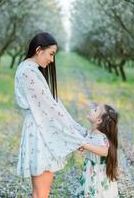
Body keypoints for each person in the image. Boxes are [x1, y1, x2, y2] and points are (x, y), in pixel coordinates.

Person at [14, 32, 87, 198]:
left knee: (41, 193)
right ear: (39, 50)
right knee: (41, 193)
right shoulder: (28, 72)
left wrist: (78, 131)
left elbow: (54, 104)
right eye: (51, 54)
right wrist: (76, 137)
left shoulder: (31, 70)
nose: (52, 60)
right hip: (41, 131)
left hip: (41, 128)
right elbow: (51, 109)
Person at [75, 103, 119, 198]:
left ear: (99, 120)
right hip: (90, 170)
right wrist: (84, 147)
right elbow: (89, 144)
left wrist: (85, 146)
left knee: (98, 193)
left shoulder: (101, 136)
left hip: (98, 173)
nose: (91, 110)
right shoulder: (91, 133)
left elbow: (104, 152)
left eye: (95, 110)